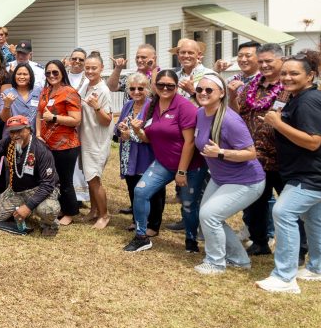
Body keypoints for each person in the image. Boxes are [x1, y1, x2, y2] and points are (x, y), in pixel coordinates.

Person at [256, 52, 321, 294]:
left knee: (283, 212)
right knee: (313, 218)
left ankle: (285, 277)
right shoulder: (303, 96)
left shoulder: (308, 102)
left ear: (310, 76)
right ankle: (319, 269)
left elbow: (313, 142)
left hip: (315, 174)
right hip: (314, 171)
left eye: (294, 73)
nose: (287, 77)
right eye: (284, 72)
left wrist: (278, 124)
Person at [124, 69, 206, 253]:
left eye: (170, 85)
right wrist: (137, 130)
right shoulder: (151, 105)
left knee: (188, 205)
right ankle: (141, 237)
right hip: (163, 163)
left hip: (190, 166)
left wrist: (182, 171)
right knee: (141, 191)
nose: (165, 88)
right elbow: (148, 138)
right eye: (161, 85)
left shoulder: (185, 107)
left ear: (176, 87)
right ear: (155, 86)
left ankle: (191, 241)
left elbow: (190, 141)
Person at [192, 72, 266, 275]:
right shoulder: (200, 113)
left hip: (247, 181)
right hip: (221, 178)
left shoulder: (229, 120)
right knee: (208, 216)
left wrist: (221, 152)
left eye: (209, 90)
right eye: (199, 89)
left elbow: (251, 153)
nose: (203, 93)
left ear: (222, 93)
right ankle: (239, 259)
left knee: (209, 215)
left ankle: (215, 263)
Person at [232, 43, 287, 255]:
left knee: (289, 205)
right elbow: (239, 113)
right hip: (256, 156)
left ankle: (298, 248)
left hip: (282, 157)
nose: (263, 65)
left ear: (280, 61)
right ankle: (259, 242)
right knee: (255, 203)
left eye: (268, 61)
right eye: (261, 61)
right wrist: (231, 95)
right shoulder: (252, 86)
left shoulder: (289, 86)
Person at [0, 115, 61, 236]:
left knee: (48, 209)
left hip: (40, 190)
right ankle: (20, 211)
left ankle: (50, 225)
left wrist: (28, 206)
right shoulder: (9, 142)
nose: (15, 135)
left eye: (19, 131)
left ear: (28, 129)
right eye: (12, 132)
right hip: (17, 191)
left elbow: (48, 184)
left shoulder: (41, 150)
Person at [114, 73, 164, 235]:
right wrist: (121, 128)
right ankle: (137, 220)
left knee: (153, 190)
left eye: (140, 88)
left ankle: (153, 224)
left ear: (148, 89)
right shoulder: (128, 105)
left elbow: (154, 134)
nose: (136, 92)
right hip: (128, 155)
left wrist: (132, 134)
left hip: (147, 154)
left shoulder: (153, 107)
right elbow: (117, 129)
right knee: (133, 187)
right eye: (132, 88)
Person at [37, 59, 82, 224]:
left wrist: (54, 117)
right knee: (53, 179)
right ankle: (60, 208)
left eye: (55, 72)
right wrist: (37, 133)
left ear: (62, 72)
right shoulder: (45, 91)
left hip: (66, 145)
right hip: (46, 143)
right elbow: (38, 113)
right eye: (48, 73)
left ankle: (70, 213)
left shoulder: (69, 92)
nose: (51, 75)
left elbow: (76, 120)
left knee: (65, 180)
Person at [76, 54, 114, 229]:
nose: (90, 71)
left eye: (94, 68)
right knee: (89, 176)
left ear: (101, 69)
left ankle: (104, 215)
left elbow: (106, 120)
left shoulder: (103, 90)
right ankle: (93, 211)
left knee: (94, 179)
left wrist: (97, 107)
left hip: (97, 142)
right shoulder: (86, 85)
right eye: (88, 68)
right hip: (85, 138)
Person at [0, 63, 41, 136]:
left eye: (25, 74)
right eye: (19, 74)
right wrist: (7, 105)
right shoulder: (6, 93)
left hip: (33, 137)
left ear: (30, 76)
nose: (21, 77)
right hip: (12, 137)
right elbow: (5, 119)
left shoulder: (39, 91)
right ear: (14, 76)